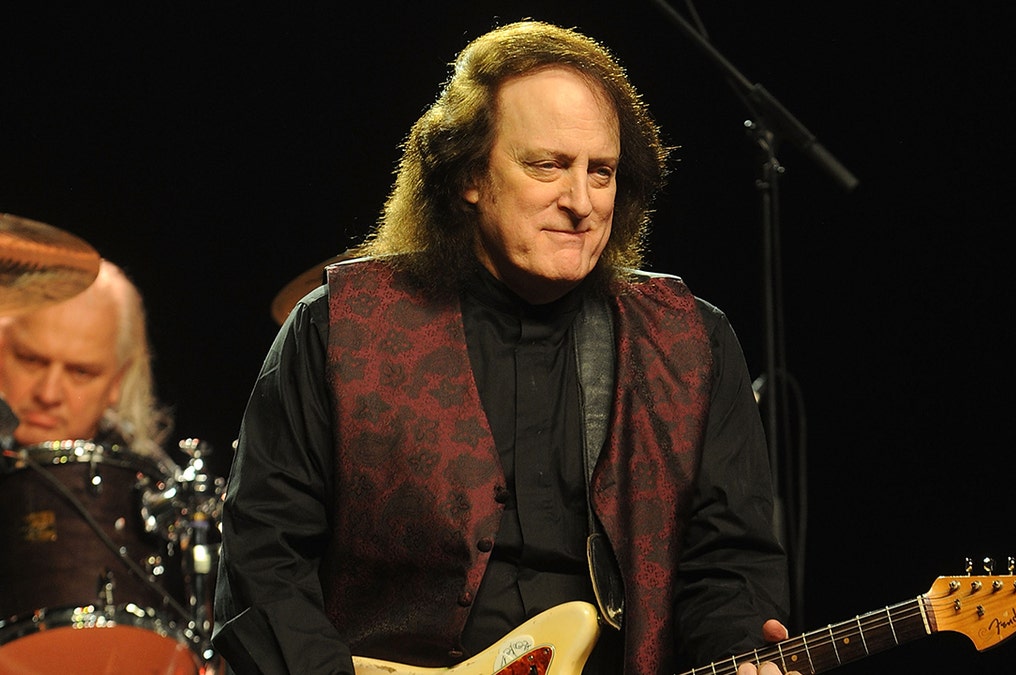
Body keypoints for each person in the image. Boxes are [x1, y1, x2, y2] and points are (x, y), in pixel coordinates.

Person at [213, 20, 793, 675]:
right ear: (469, 174)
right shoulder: (336, 327)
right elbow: (263, 559)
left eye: (600, 172)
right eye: (547, 165)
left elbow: (728, 565)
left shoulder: (690, 339)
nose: (580, 201)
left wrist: (740, 645)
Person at [0, 258, 172, 459]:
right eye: (31, 361)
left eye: (80, 372)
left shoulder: (135, 485)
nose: (48, 395)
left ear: (118, 380)